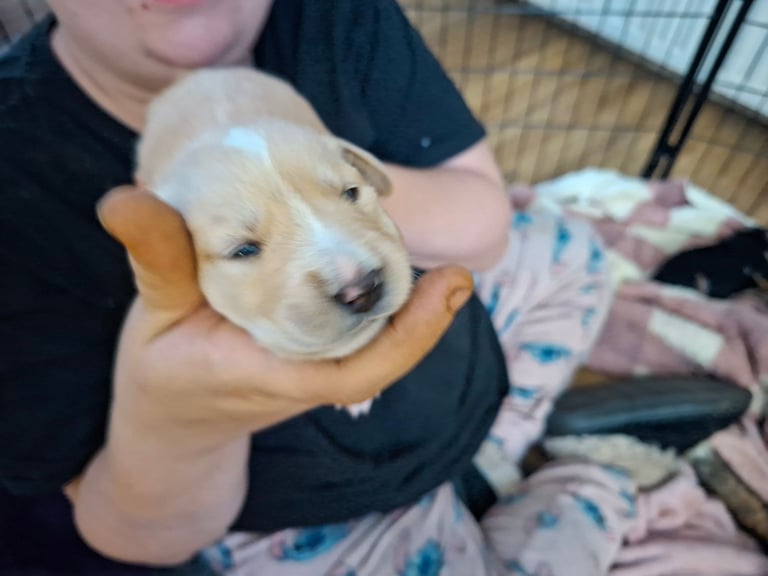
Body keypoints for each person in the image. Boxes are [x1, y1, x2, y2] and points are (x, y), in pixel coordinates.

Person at [0, 1, 636, 574]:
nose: (350, 280)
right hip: (307, 512)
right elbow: (128, 534)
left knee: (571, 252)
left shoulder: (329, 15)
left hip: (458, 386)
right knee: (585, 504)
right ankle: (579, 490)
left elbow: (484, 226)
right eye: (244, 246)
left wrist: (299, 170)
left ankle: (488, 463)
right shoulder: (19, 180)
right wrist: (180, 416)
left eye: (347, 189)